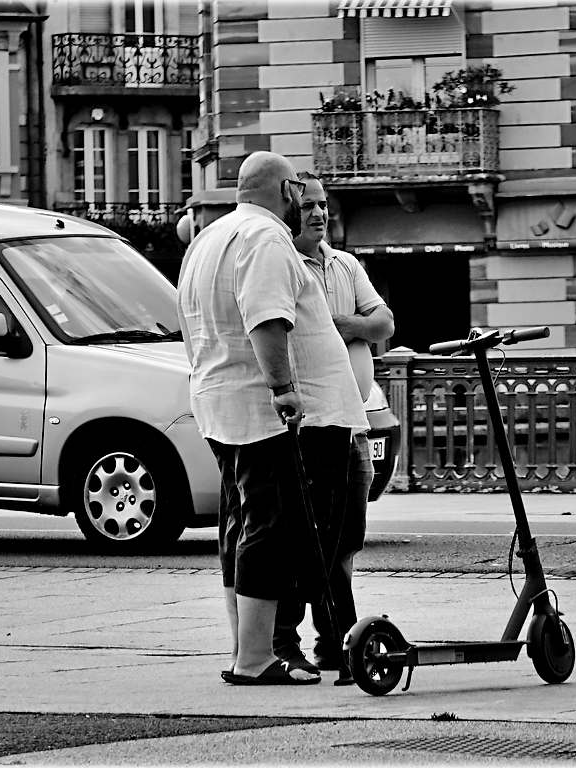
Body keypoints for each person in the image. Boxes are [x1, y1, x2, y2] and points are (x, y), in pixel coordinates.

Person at [176, 152, 369, 686]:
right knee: (271, 527)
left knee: (242, 523)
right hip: (266, 412)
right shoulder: (265, 239)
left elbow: (190, 324)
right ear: (286, 191)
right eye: (300, 193)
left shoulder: (207, 239)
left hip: (221, 401)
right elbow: (267, 319)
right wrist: (284, 390)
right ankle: (256, 658)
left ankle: (248, 647)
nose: (304, 204)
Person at [273, 171, 395, 673]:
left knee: (345, 538)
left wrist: (340, 324)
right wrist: (352, 329)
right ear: (289, 213)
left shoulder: (345, 265)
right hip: (314, 422)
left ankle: (331, 641)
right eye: (309, 207)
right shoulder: (286, 266)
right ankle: (316, 639)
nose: (320, 214)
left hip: (357, 420)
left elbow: (384, 323)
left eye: (324, 205)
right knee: (311, 538)